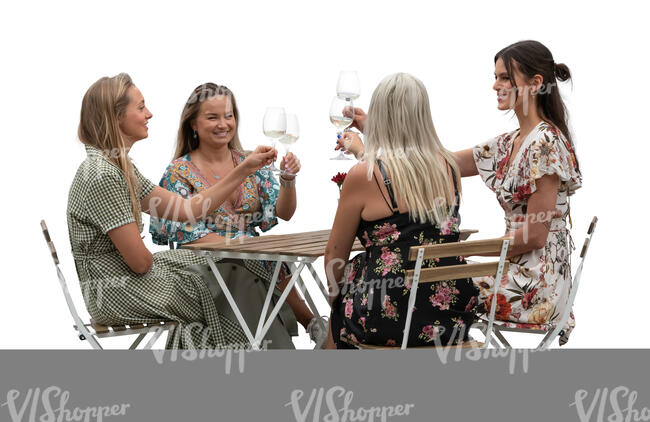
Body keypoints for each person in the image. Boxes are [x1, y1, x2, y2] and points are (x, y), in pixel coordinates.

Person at [337, 41, 582, 343]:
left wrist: (452, 251)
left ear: (535, 84)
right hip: (512, 270)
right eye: (496, 76)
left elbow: (533, 237)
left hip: (534, 287)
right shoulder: (512, 142)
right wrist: (377, 130)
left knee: (422, 285)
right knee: (419, 280)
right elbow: (432, 164)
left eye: (506, 77)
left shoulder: (544, 144)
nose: (495, 85)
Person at [67, 73, 294, 350]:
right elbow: (141, 263)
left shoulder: (118, 166)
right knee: (229, 281)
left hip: (129, 282)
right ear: (114, 117)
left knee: (232, 270)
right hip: (117, 292)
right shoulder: (103, 175)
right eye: (140, 107)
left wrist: (245, 168)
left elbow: (187, 210)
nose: (149, 114)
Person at [148, 83, 328, 348]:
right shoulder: (178, 172)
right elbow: (187, 235)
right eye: (213, 117)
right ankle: (311, 327)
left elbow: (283, 213)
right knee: (256, 267)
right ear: (193, 124)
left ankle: (315, 327)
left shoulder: (249, 160)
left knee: (274, 262)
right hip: (208, 265)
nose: (224, 124)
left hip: (259, 260)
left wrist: (288, 179)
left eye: (229, 115)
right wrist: (244, 248)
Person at [325, 73, 479, 349]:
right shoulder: (449, 167)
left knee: (338, 307)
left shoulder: (363, 175)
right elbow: (406, 171)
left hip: (387, 315)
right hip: (451, 314)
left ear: (380, 118)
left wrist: (335, 301)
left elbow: (334, 255)